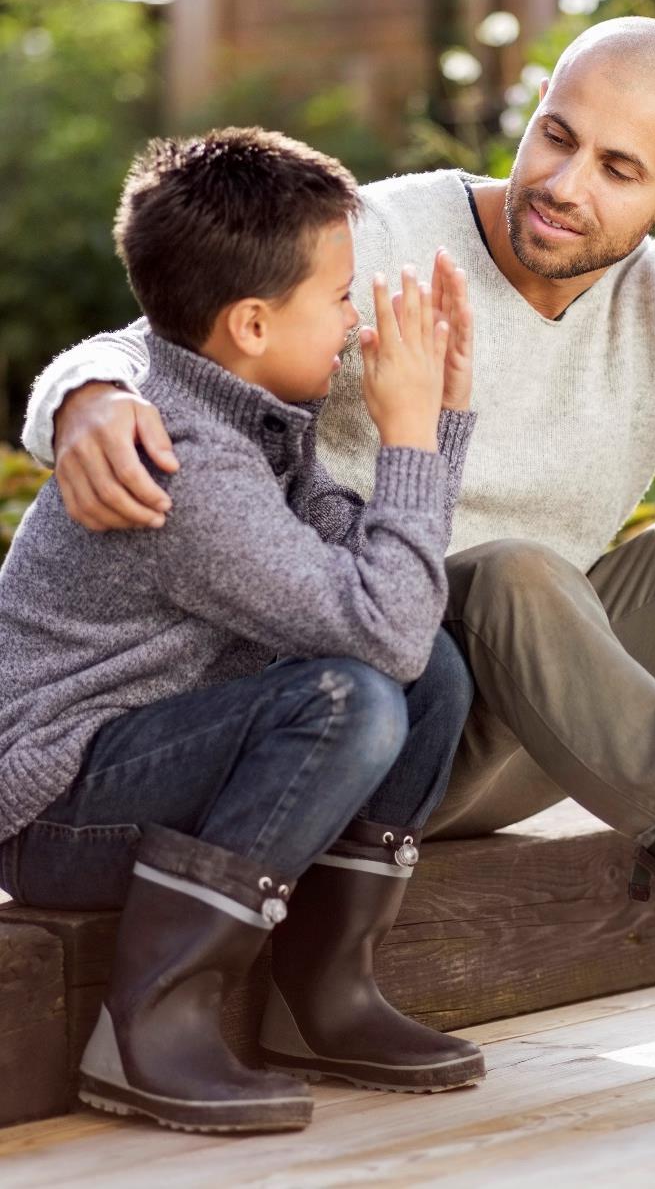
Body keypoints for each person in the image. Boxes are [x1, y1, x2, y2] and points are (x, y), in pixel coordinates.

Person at [22, 19, 655, 1103]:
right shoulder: (392, 235)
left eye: (620, 168)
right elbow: (193, 323)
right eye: (557, 134)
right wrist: (84, 395)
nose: (561, 183)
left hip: (555, 711)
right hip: (378, 714)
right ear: (535, 106)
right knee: (516, 573)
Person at [0, 126, 486, 1134]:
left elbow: (390, 598)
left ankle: (326, 988)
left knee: (434, 670)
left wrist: (440, 419)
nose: (359, 325)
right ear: (254, 323)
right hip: (50, 809)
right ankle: (150, 1021)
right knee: (347, 696)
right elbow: (376, 633)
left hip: (150, 743)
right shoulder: (187, 464)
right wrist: (409, 436)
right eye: (343, 296)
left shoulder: (248, 411)